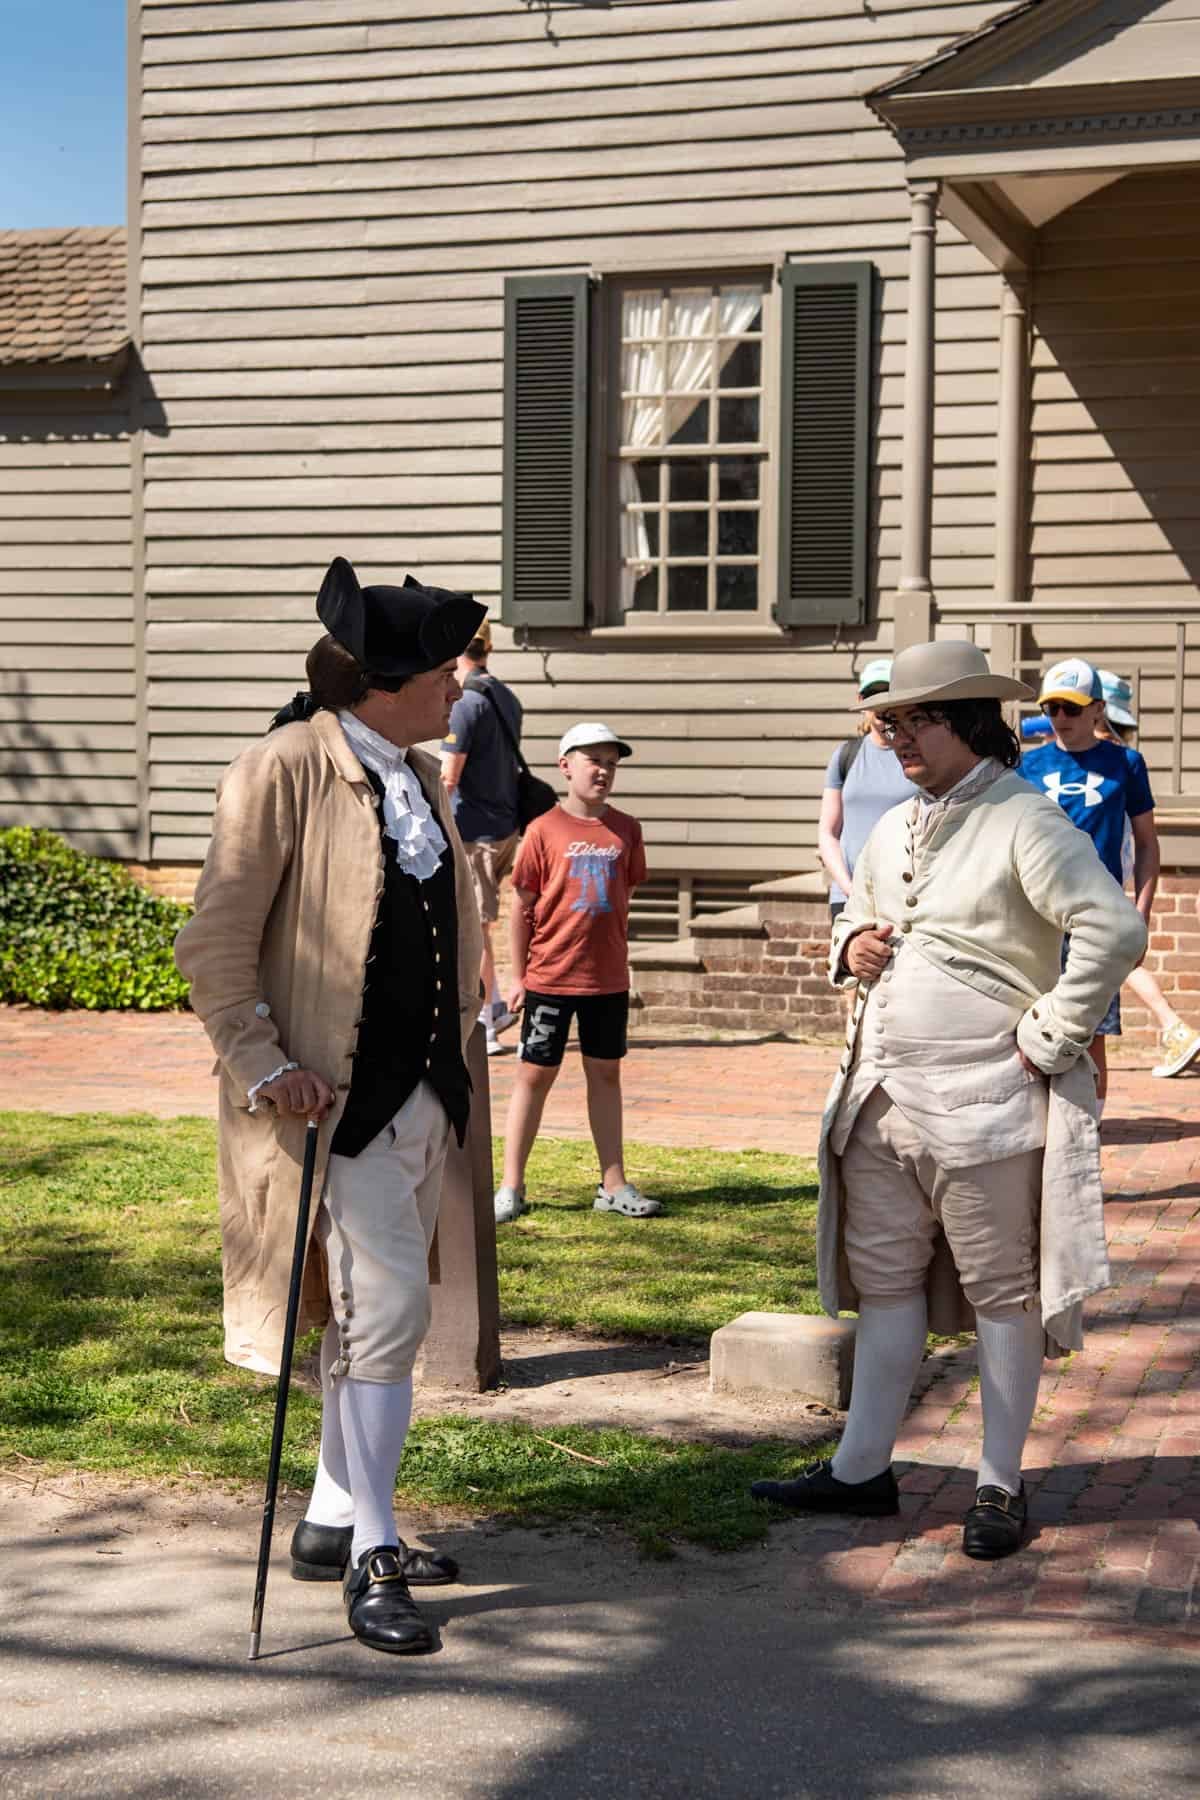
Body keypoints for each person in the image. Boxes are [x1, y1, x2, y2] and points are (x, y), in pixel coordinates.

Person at [751, 640, 1146, 1561]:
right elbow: (858, 907)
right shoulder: (898, 823)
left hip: (984, 1105)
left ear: (968, 721)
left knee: (1001, 1295)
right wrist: (851, 946)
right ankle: (860, 1471)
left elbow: (1113, 926)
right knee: (884, 1291)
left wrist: (1053, 1034)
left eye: (910, 721)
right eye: (885, 723)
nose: (892, 739)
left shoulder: (1024, 818)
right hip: (880, 1099)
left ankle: (1000, 1486)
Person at [175, 556, 487, 1657]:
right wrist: (264, 1063)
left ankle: (329, 1514)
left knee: (368, 1317)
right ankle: (376, 1553)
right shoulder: (281, 768)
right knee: (388, 1318)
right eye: (446, 669)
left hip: (420, 1098)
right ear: (384, 680)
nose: (461, 684)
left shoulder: (416, 771)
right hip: (328, 1105)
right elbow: (213, 941)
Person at [493, 722, 655, 1224]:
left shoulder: (627, 829)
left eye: (611, 762)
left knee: (605, 1074)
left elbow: (623, 896)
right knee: (534, 1075)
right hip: (550, 979)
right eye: (593, 760)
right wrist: (518, 976)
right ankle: (511, 1186)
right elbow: (521, 910)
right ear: (566, 766)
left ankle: (613, 1183)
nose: (603, 770)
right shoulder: (543, 829)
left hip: (607, 981)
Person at [1018, 658, 1157, 1110]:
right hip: (1035, 916)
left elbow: (1148, 844)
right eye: (1052, 707)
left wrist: (1140, 917)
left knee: (1093, 1028)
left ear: (1098, 709)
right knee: (1029, 1019)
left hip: (1096, 917)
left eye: (1072, 709)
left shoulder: (1126, 764)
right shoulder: (1025, 766)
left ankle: (1088, 1128)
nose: (1060, 718)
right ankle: (1034, 1122)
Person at [1093, 669, 1200, 1078]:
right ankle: (1174, 1028)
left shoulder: (1112, 762)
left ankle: (1175, 1028)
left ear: (1099, 714)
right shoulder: (1122, 757)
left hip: (1097, 877)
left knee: (1117, 960)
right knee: (1119, 960)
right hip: (1112, 875)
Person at [440, 620, 523, 1055]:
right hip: (506, 827)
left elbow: (448, 778)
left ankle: (486, 1024)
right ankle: (495, 1004)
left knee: (476, 927)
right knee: (485, 921)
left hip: (474, 833)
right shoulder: (506, 696)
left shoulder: (465, 704)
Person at [818, 658, 919, 926]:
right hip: (848, 896)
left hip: (905, 895)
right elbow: (828, 832)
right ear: (861, 700)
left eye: (887, 693)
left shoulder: (918, 755)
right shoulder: (846, 755)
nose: (880, 702)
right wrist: (849, 888)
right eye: (873, 694)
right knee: (851, 966)